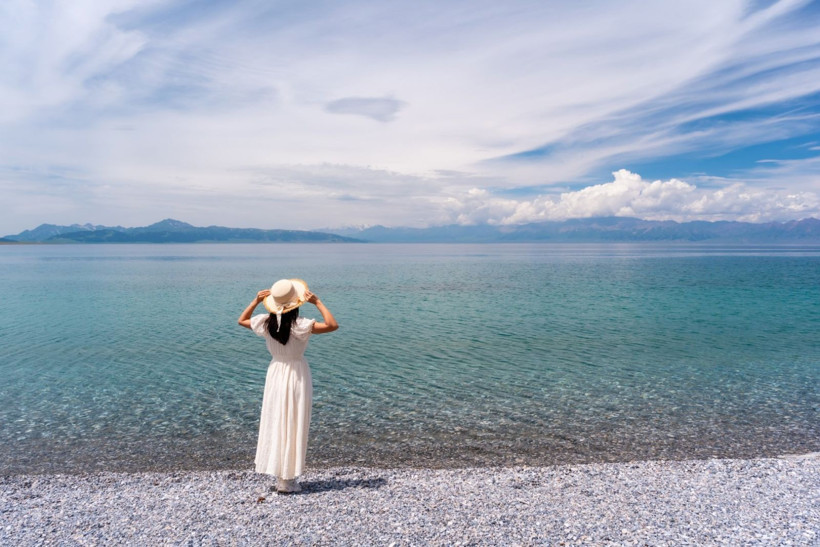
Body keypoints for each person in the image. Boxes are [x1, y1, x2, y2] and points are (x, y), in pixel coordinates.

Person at [237, 278, 338, 493]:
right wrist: (318, 302)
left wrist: (255, 301)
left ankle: (281, 475)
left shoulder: (265, 322)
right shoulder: (301, 326)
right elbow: (332, 325)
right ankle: (288, 479)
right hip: (297, 374)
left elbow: (242, 320)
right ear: (297, 304)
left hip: (276, 373)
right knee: (293, 421)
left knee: (276, 419)